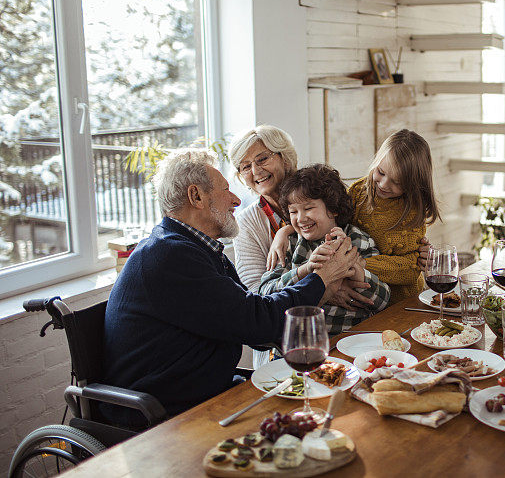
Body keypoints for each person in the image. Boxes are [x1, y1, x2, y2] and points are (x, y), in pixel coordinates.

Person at [102, 149, 359, 427]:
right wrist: (321, 281)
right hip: (170, 414)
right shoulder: (169, 255)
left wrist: (321, 286)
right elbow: (257, 322)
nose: (237, 199)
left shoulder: (196, 249)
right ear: (196, 196)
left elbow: (254, 321)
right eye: (226, 190)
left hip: (212, 391)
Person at [269, 129, 439, 303]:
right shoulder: (360, 190)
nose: (383, 184)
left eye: (397, 182)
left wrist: (358, 264)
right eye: (380, 172)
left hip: (399, 299)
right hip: (359, 287)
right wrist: (285, 231)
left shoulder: (412, 212)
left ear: (413, 183)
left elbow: (410, 269)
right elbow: (332, 213)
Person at [260, 164, 391, 341]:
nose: (300, 218)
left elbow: (383, 301)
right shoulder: (289, 244)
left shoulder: (357, 240)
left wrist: (355, 270)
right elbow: (265, 295)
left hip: (350, 341)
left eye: (308, 208)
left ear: (333, 208)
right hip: (302, 343)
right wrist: (305, 270)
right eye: (293, 211)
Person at [228, 125, 298, 292]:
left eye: (262, 159)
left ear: (285, 159)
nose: (255, 171)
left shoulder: (319, 192)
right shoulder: (245, 222)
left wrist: (286, 230)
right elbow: (254, 289)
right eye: (245, 167)